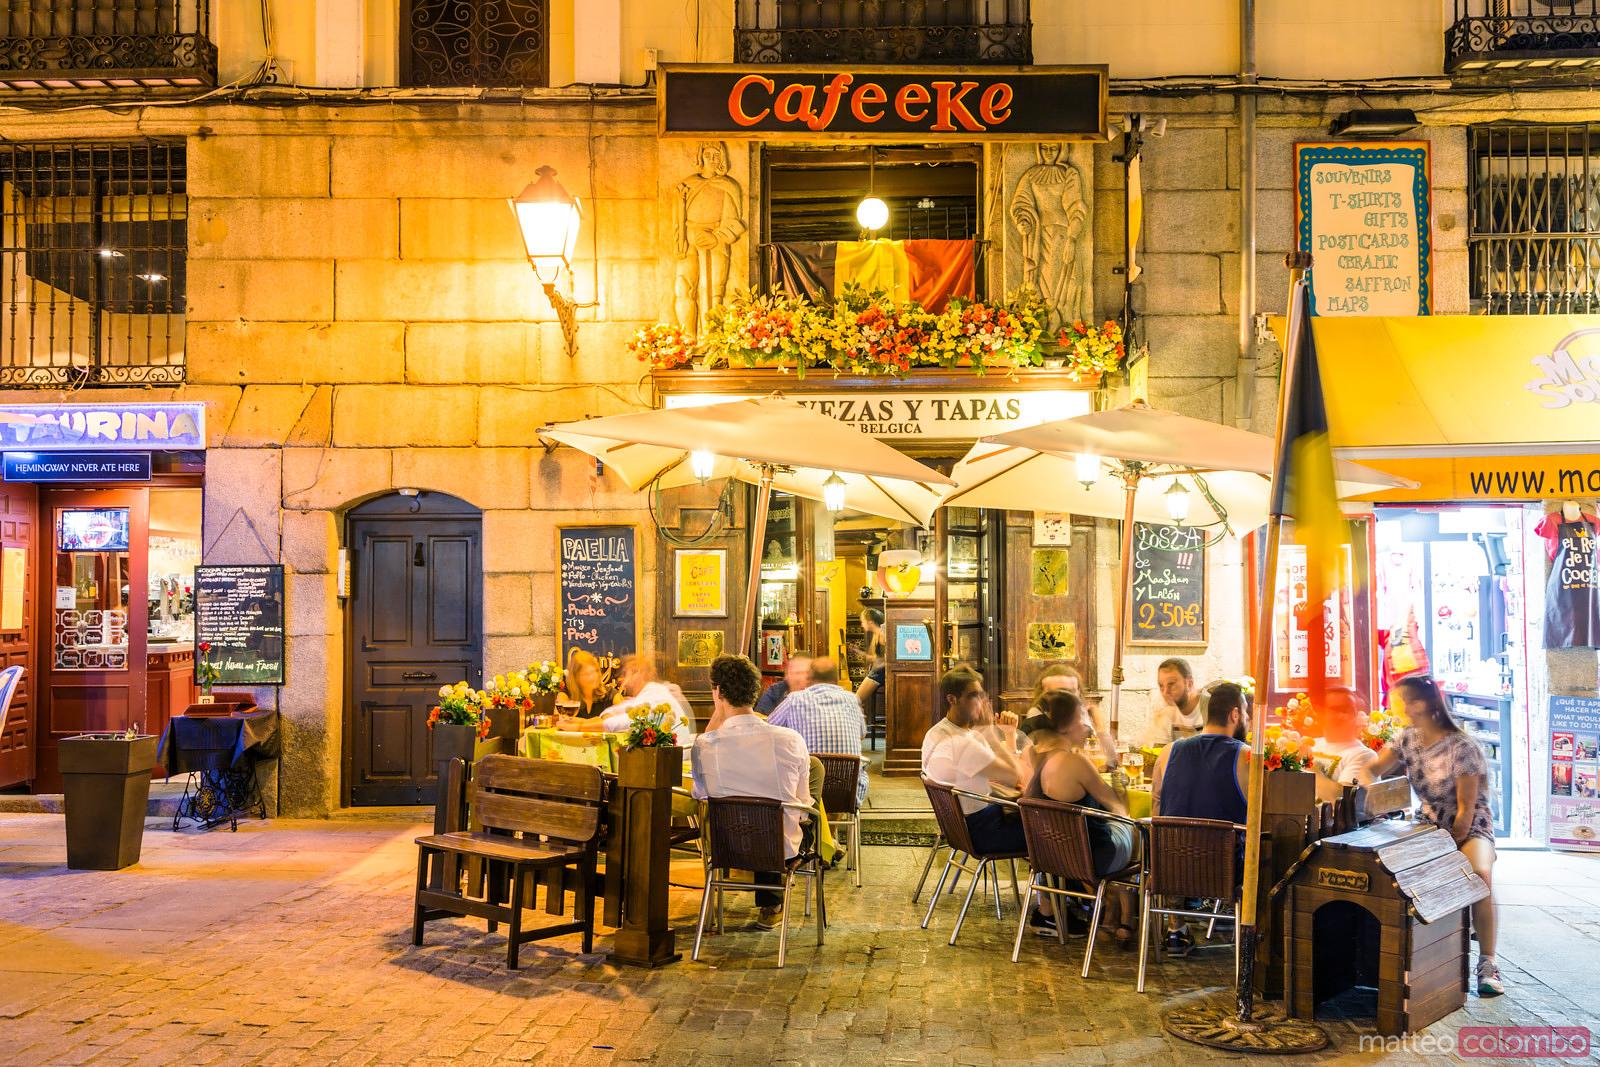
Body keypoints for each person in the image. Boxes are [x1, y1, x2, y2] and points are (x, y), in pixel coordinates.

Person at [1360, 675, 1503, 997]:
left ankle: (1488, 963)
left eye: (1404, 700)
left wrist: (1447, 851)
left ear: (1423, 704)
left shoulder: (1463, 747)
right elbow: (1373, 769)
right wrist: (1372, 788)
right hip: (1427, 825)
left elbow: (1466, 810)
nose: (1399, 707)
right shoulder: (1406, 740)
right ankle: (1421, 959)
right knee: (1395, 874)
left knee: (1478, 875)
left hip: (1469, 827)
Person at [690, 653, 817, 931]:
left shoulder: (704, 746)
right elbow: (803, 800)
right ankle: (773, 901)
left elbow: (700, 794)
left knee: (749, 809)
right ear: (757, 691)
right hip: (780, 848)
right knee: (795, 805)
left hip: (726, 847)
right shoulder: (790, 740)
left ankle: (765, 900)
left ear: (718, 691)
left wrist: (717, 711)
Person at [1024, 691, 1141, 946]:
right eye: (1082, 718)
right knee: (1135, 828)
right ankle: (1127, 916)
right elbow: (1118, 806)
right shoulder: (1075, 761)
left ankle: (1111, 914)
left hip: (1052, 858)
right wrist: (1120, 781)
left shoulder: (1035, 756)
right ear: (1065, 726)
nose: (1086, 726)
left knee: (1122, 827)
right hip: (1090, 859)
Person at [1150, 680, 1250, 957]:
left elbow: (1156, 808)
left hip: (1170, 866)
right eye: (1246, 714)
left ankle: (1175, 929)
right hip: (1224, 870)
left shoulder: (1169, 751)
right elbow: (1260, 815)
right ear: (1235, 715)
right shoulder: (1245, 756)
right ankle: (1251, 931)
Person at [923, 667, 1026, 855]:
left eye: (982, 696)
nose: (981, 703)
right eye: (973, 696)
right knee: (1057, 833)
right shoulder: (963, 743)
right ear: (952, 699)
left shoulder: (936, 732)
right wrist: (990, 732)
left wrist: (1008, 735)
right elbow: (1015, 775)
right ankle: (1050, 883)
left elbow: (1005, 774)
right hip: (984, 832)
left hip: (959, 829)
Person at [769, 656, 868, 808]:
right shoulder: (852, 700)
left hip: (807, 792)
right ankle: (831, 829)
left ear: (810, 677)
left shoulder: (794, 700)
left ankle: (813, 827)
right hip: (848, 794)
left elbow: (769, 730)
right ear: (836, 679)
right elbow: (862, 734)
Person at [1018, 663, 1119, 769]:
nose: (1065, 699)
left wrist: (1100, 727)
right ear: (1043, 694)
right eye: (1058, 693)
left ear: (1078, 692)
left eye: (1070, 692)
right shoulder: (1034, 725)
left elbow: (1111, 763)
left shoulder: (1082, 723)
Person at [601, 654, 694, 741]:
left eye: (625, 674)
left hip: (672, 756)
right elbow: (614, 711)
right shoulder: (646, 694)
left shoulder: (656, 694)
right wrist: (608, 716)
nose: (621, 679)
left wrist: (591, 725)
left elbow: (623, 723)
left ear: (637, 672)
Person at [1315, 687, 1380, 786]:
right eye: (1336, 709)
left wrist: (1309, 769)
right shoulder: (1310, 745)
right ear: (1320, 714)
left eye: (1349, 710)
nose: (1343, 716)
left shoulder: (1364, 755)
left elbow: (1344, 798)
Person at [1138, 658, 1208, 747]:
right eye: (1161, 686)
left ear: (1189, 683)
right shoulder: (1166, 713)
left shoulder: (1209, 708)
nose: (1165, 692)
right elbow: (1159, 753)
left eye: (1171, 684)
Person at [561, 649, 613, 720]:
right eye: (586, 674)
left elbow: (626, 721)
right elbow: (560, 720)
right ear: (575, 678)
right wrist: (596, 721)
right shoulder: (566, 694)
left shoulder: (610, 695)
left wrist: (578, 724)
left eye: (595, 671)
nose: (593, 677)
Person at [755, 652, 813, 716]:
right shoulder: (775, 691)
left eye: (803, 672)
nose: (799, 677)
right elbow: (760, 717)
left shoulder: (819, 694)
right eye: (794, 672)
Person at [855, 608, 887, 716]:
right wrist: (858, 652)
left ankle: (858, 729)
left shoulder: (882, 635)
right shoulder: (877, 634)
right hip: (877, 671)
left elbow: (888, 659)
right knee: (856, 701)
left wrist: (879, 662)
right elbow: (876, 658)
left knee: (856, 701)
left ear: (870, 622)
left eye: (863, 621)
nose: (862, 624)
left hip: (879, 673)